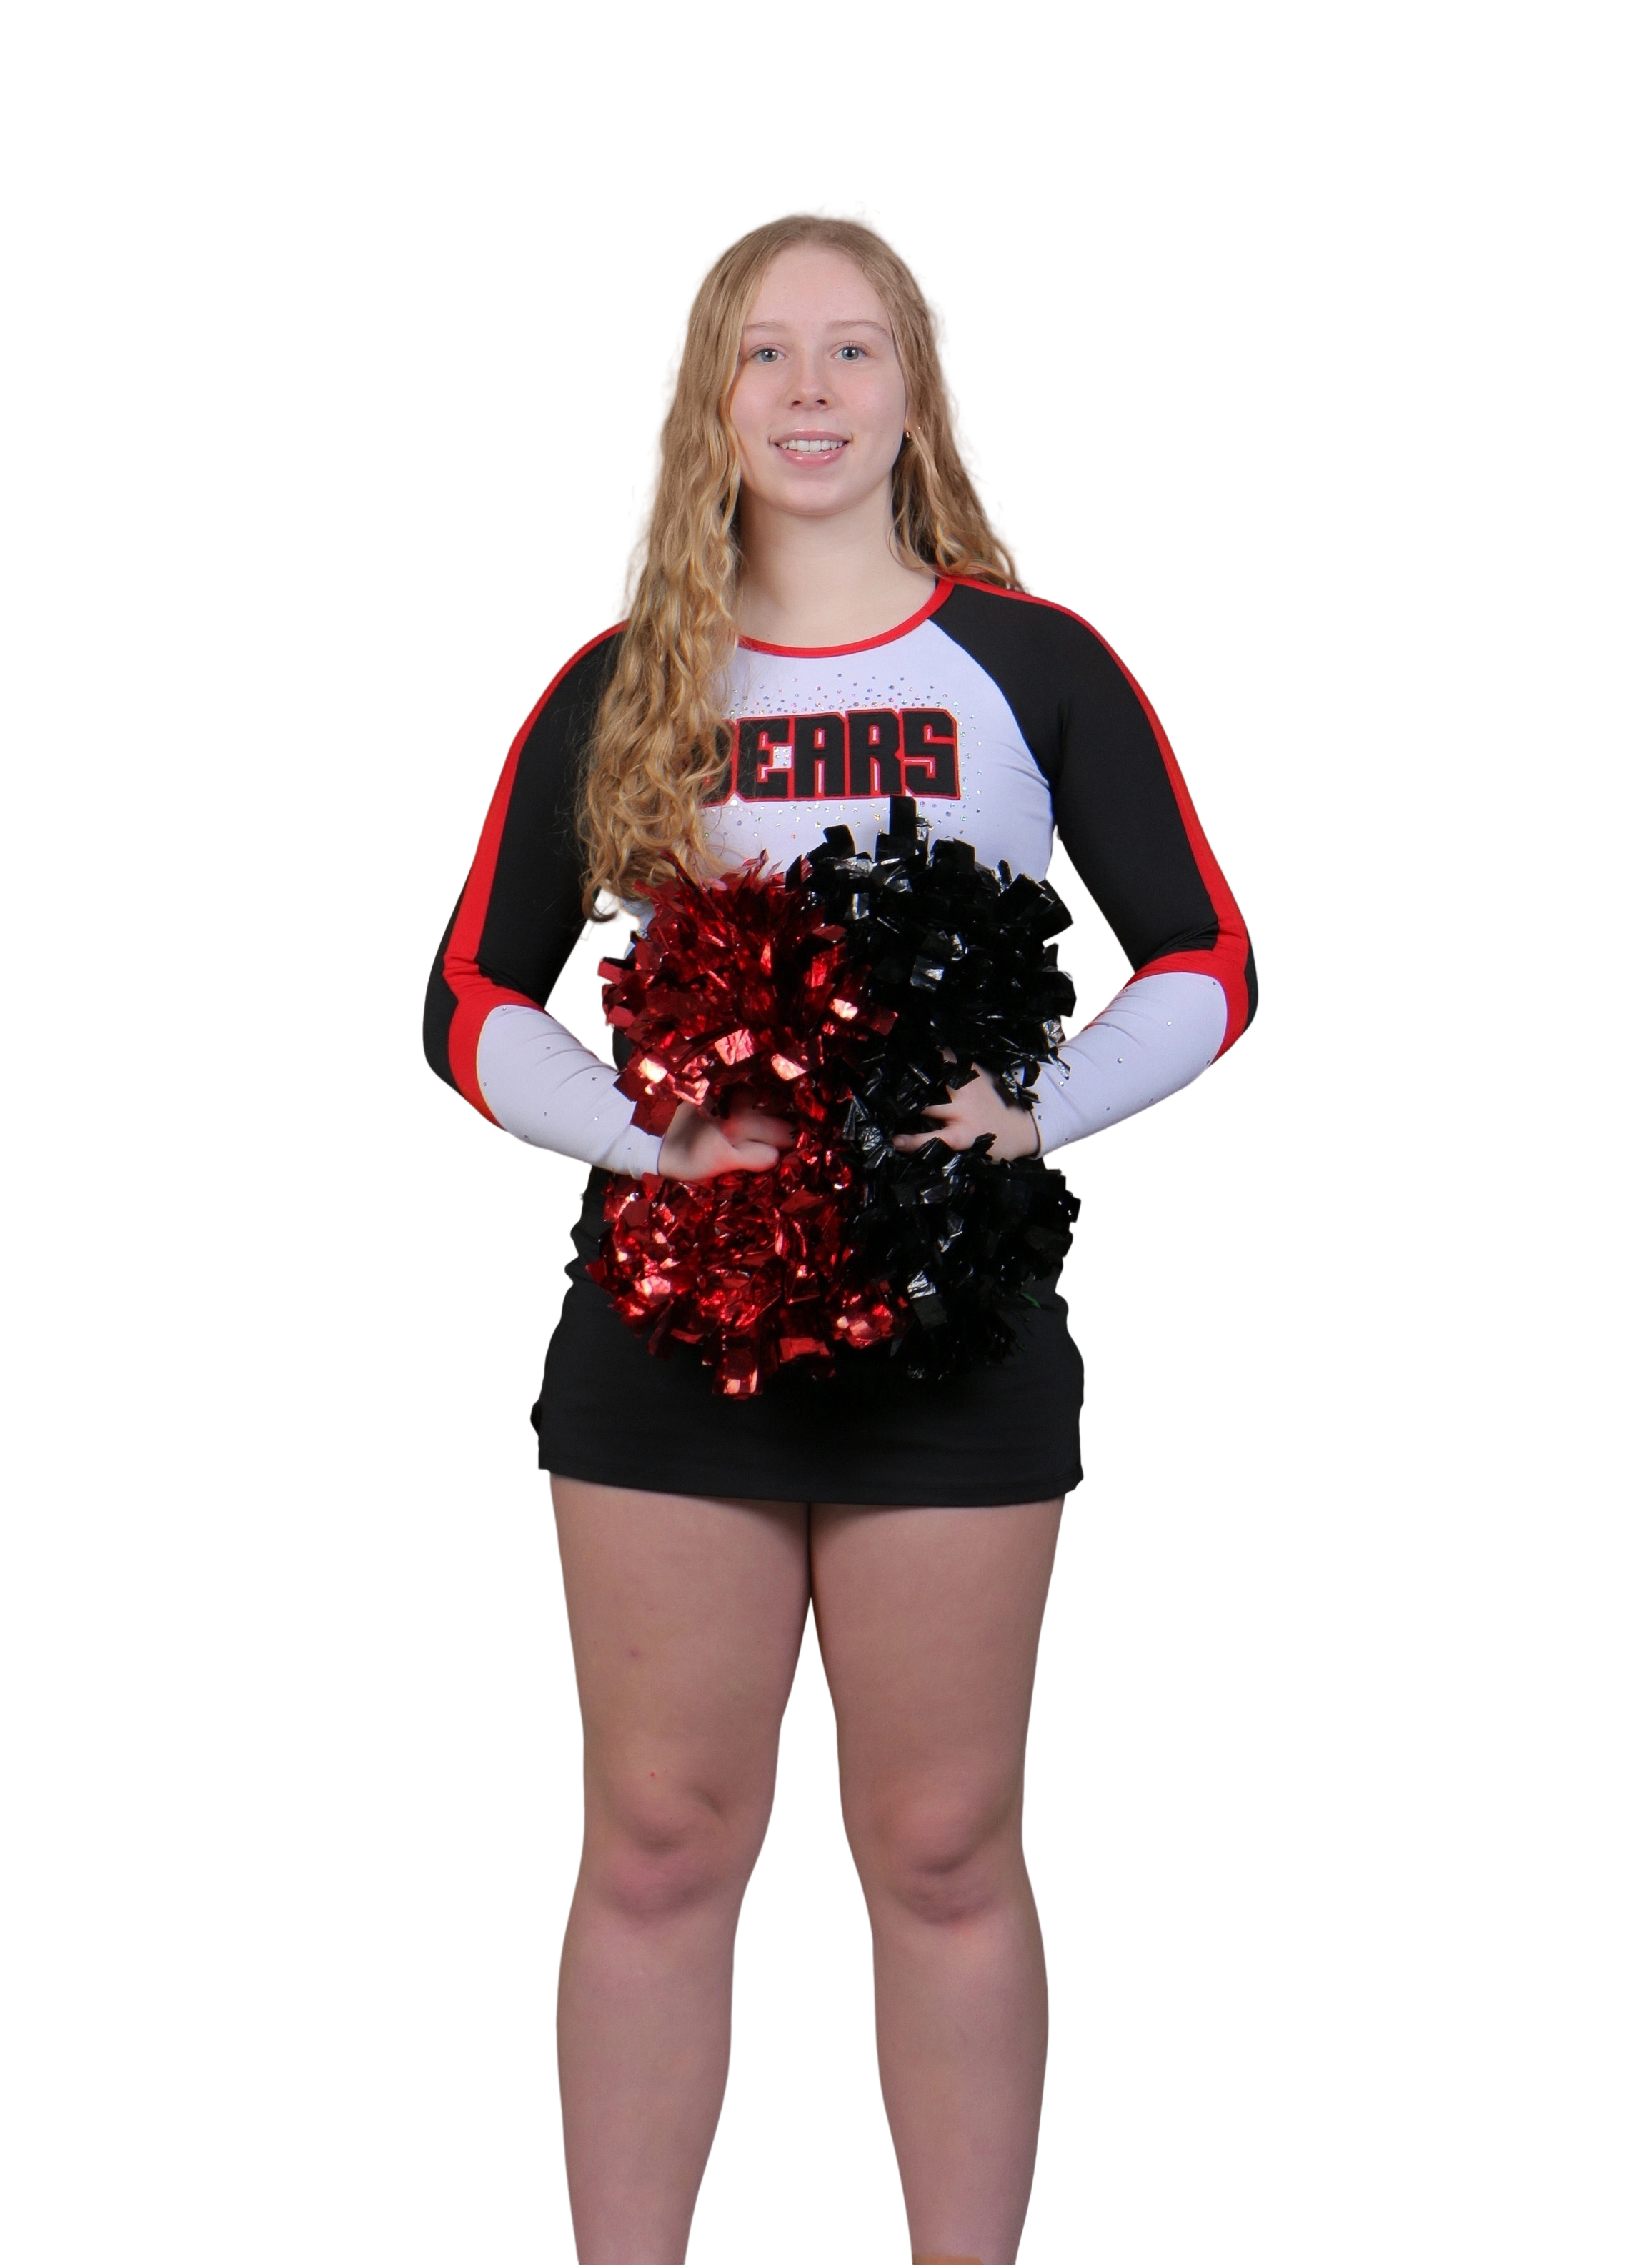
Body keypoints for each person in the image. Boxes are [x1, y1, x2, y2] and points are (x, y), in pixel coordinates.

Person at [419, 203, 1257, 2265]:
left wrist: (1037, 1108)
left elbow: (1207, 956)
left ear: (916, 393)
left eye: (853, 350)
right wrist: (641, 1142)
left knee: (947, 1842)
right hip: (668, 1333)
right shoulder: (622, 682)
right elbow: (467, 996)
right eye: (766, 352)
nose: (809, 391)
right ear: (708, 399)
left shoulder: (1038, 662)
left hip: (957, 1326)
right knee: (658, 1835)